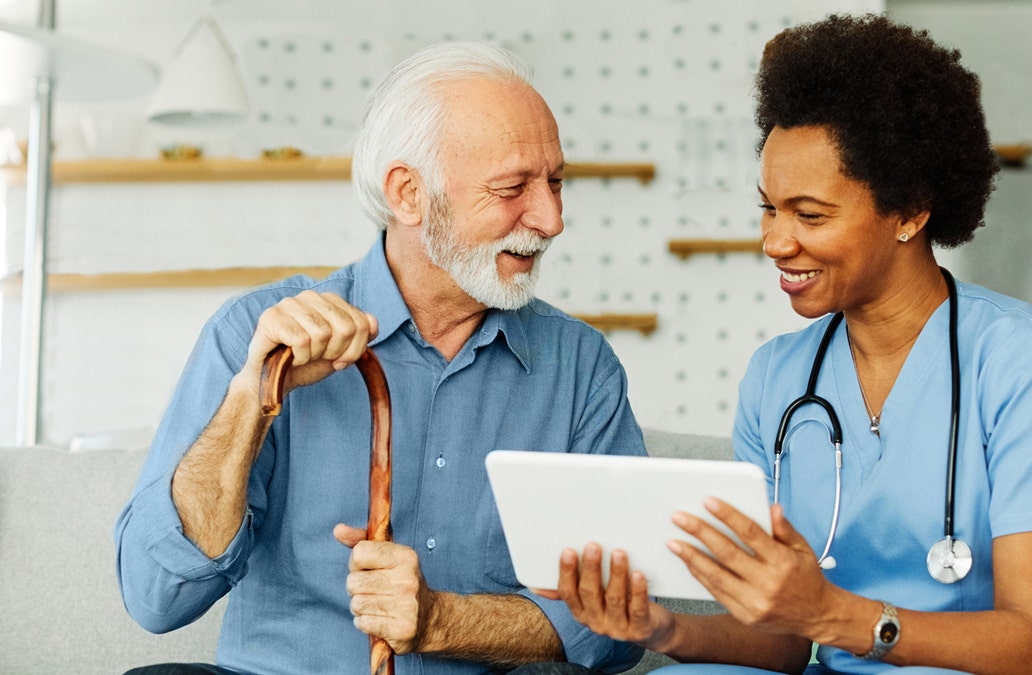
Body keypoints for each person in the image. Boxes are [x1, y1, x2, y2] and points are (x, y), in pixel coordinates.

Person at [546, 14, 1032, 675]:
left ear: (910, 211)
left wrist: (832, 614)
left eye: (811, 214)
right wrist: (661, 628)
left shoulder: (1027, 363)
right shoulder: (778, 377)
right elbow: (784, 643)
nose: (775, 240)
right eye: (769, 207)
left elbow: (1030, 644)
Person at [114, 42, 646, 675]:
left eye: (555, 182)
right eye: (513, 188)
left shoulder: (580, 368)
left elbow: (624, 626)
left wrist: (444, 621)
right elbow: (155, 596)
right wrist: (250, 402)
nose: (552, 219)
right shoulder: (255, 335)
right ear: (409, 194)